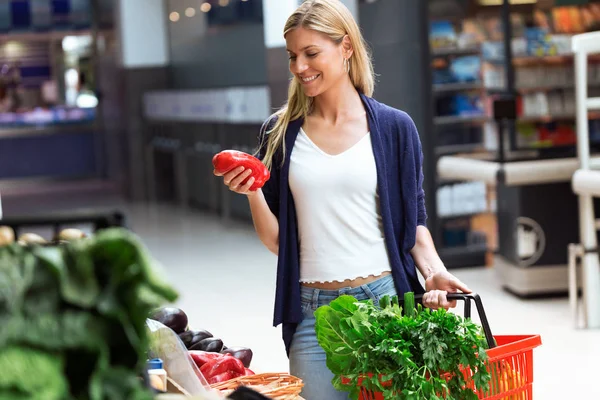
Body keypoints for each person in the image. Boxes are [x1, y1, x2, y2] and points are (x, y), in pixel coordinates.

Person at [214, 0, 471, 398]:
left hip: (385, 305)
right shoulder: (280, 134)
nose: (300, 66)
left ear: (346, 48)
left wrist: (434, 270)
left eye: (311, 53)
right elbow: (278, 242)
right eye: (293, 56)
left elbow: (413, 220)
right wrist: (253, 193)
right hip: (313, 312)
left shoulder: (394, 128)